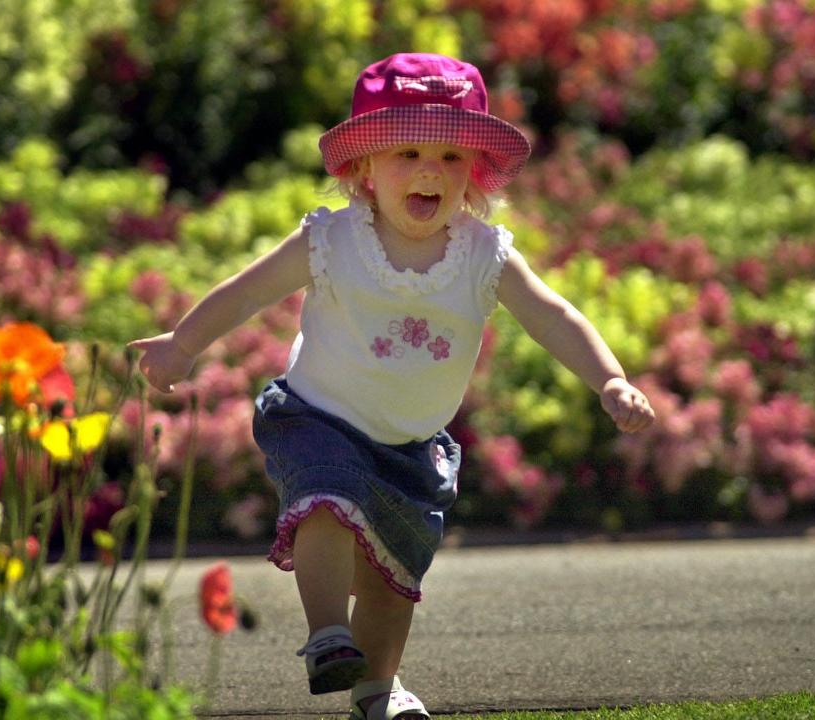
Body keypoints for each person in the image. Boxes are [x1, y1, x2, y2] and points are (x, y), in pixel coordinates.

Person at [129, 52, 655, 720]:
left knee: (393, 578)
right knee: (325, 499)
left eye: (449, 156)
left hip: (409, 446)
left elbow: (554, 317)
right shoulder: (332, 240)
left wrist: (609, 379)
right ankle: (326, 636)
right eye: (406, 152)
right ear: (364, 170)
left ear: (473, 174)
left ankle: (378, 690)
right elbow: (245, 294)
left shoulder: (483, 255)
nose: (429, 169)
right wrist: (182, 344)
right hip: (319, 416)